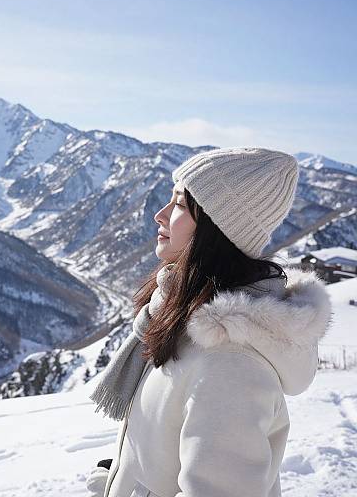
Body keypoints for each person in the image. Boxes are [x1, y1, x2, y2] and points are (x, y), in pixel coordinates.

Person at [85, 147, 333, 497]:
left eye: (180, 206)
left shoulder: (228, 363)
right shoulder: (184, 319)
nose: (160, 215)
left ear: (219, 227)